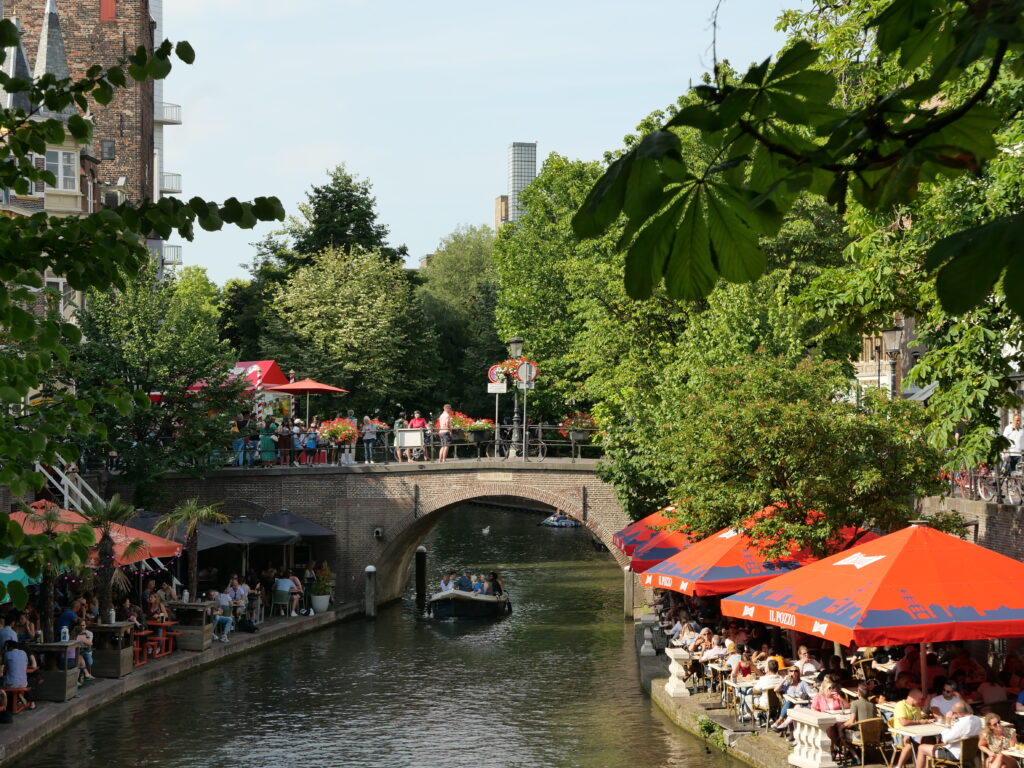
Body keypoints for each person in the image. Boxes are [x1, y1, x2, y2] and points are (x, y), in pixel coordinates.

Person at [914, 701, 982, 768]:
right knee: (938, 745)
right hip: (971, 753)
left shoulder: (962, 723)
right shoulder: (977, 719)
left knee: (921, 748)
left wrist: (948, 721)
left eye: (953, 713)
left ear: (958, 713)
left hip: (955, 755)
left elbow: (945, 739)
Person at [894, 689, 934, 768]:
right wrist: (920, 722)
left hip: (914, 733)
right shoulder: (901, 705)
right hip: (900, 733)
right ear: (913, 698)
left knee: (929, 739)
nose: (921, 701)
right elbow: (904, 722)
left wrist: (928, 720)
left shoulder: (916, 707)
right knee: (910, 744)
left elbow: (918, 721)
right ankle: (898, 766)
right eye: (919, 699)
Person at [746, 658, 784, 724]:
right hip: (778, 703)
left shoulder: (764, 679)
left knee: (747, 697)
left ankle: (759, 717)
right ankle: (769, 716)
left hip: (765, 704)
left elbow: (754, 690)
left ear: (768, 669)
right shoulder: (781, 678)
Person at [1, 640, 33, 710]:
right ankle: (19, 698)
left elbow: (1, 671)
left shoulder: (6, 654)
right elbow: (25, 665)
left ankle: (5, 706)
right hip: (24, 683)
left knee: (3, 683)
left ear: (10, 647)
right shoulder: (24, 653)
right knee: (17, 679)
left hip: (10, 684)